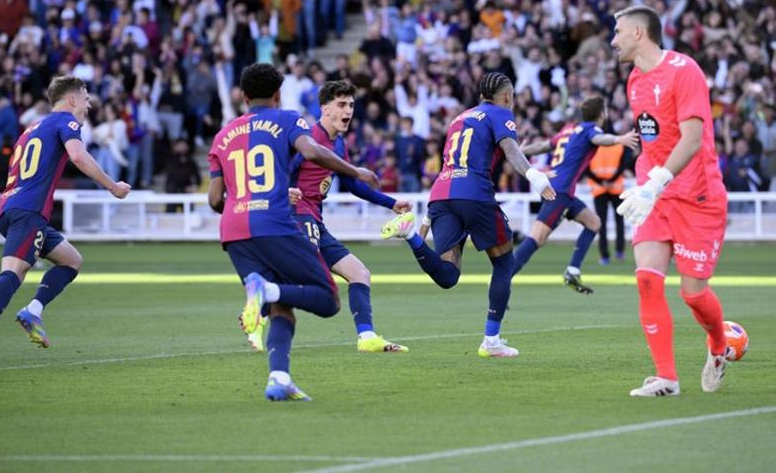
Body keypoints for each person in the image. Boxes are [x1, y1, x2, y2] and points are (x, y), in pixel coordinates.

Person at [207, 63, 378, 401]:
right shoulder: (287, 119)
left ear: (242, 96)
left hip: (234, 231)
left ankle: (279, 378)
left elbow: (215, 199)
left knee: (282, 309)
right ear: (277, 95)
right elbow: (312, 151)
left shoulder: (223, 135)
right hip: (275, 224)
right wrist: (354, 171)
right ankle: (265, 291)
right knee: (328, 300)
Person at [380, 72, 556, 358]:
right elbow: (511, 150)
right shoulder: (500, 113)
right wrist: (535, 176)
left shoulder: (458, 118)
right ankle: (491, 340)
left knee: (448, 276)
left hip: (441, 194)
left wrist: (426, 218)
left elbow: (449, 161)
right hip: (474, 193)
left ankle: (410, 234)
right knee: (504, 262)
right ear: (508, 96)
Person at [0, 76, 131, 363]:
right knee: (14, 272)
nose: (89, 105)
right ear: (72, 99)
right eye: (86, 97)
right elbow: (78, 156)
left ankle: (33, 311)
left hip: (12, 206)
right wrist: (112, 186)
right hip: (28, 212)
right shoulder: (67, 122)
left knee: (71, 260)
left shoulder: (32, 127)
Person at [611, 5, 730, 397]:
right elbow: (651, 140)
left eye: (618, 32)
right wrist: (647, 184)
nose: (613, 40)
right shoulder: (633, 81)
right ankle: (667, 378)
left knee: (693, 294)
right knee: (647, 279)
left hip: (696, 195)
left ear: (639, 34)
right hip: (656, 195)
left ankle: (718, 346)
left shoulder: (685, 71)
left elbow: (692, 139)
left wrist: (657, 181)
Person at [258, 80, 409, 353]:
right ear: (324, 108)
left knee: (359, 273)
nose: (348, 110)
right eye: (341, 104)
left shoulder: (338, 145)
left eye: (351, 105)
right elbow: (280, 169)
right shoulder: (307, 138)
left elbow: (353, 185)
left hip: (315, 219)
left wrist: (391, 203)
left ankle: (367, 338)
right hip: (295, 216)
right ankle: (259, 307)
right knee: (307, 275)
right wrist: (284, 190)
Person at [513, 97, 639, 293]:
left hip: (560, 189)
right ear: (601, 115)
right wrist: (618, 139)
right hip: (560, 191)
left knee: (594, 223)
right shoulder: (590, 129)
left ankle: (572, 270)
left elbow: (543, 145)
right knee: (538, 237)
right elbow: (599, 139)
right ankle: (502, 277)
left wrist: (521, 152)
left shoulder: (569, 129)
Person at [586, 127, 632, 265]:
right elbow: (624, 164)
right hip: (616, 187)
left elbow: (586, 168)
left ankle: (604, 256)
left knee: (601, 223)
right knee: (619, 222)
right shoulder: (618, 144)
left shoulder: (592, 145)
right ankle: (620, 252)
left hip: (599, 188)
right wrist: (612, 180)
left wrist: (601, 181)